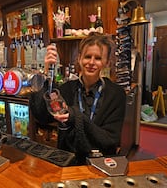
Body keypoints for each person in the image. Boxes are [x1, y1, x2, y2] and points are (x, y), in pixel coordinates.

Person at [30, 32, 126, 165]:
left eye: (98, 58)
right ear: (79, 58)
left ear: (106, 62)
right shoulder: (66, 89)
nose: (91, 62)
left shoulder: (116, 94)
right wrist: (46, 74)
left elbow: (110, 141)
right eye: (87, 56)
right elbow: (41, 115)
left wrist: (75, 116)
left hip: (100, 162)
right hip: (68, 161)